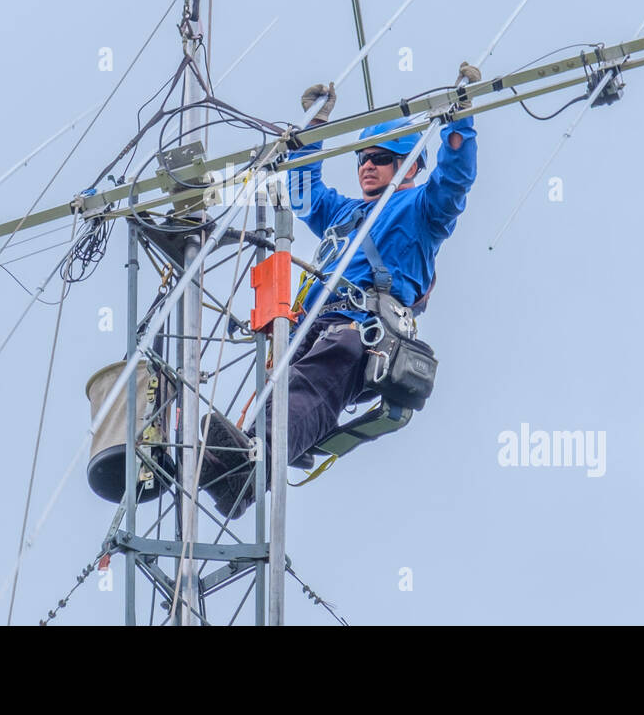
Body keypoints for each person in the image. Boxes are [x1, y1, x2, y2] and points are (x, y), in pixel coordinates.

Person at [198, 65, 481, 518]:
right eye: (363, 157)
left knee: (317, 378)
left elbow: (454, 184)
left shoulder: (421, 210)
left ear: (408, 165)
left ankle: (250, 468)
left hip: (360, 329)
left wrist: (459, 121)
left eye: (381, 157)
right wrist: (315, 128)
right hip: (310, 324)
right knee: (283, 388)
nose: (367, 165)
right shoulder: (344, 213)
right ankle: (235, 471)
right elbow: (305, 193)